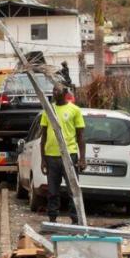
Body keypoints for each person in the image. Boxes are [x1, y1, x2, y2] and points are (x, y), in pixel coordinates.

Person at [40, 83, 86, 223]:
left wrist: (82, 158)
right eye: (53, 90)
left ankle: (75, 220)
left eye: (57, 90)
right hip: (51, 157)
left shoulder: (75, 110)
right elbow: (43, 137)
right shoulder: (48, 110)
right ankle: (52, 220)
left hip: (69, 156)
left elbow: (81, 137)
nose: (54, 92)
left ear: (65, 92)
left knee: (73, 190)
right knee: (52, 191)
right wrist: (43, 159)